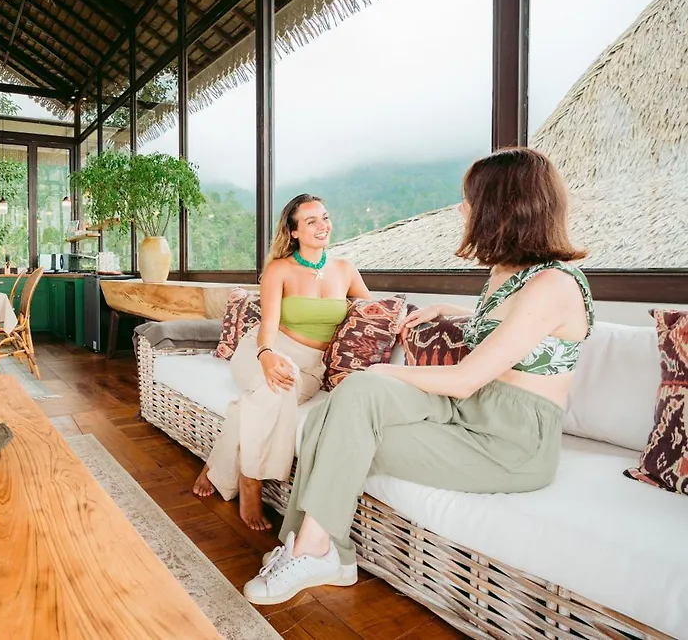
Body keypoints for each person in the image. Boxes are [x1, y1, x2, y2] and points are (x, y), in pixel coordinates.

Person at [243, 147, 593, 605]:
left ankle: (315, 550)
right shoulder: (506, 273)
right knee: (352, 399)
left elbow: (465, 378)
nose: (462, 209)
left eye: (470, 199)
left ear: (503, 206)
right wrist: (448, 309)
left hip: (511, 441)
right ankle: (319, 550)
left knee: (346, 416)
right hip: (470, 410)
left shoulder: (556, 284)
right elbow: (512, 327)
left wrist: (384, 367)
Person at [192, 194, 373, 530]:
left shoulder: (345, 270)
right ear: (294, 232)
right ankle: (251, 481)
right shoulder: (279, 269)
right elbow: (269, 323)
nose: (322, 226)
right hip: (263, 349)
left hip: (311, 366)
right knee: (276, 386)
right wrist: (266, 355)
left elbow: (372, 312)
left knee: (259, 400)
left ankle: (217, 468)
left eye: (325, 217)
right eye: (311, 221)